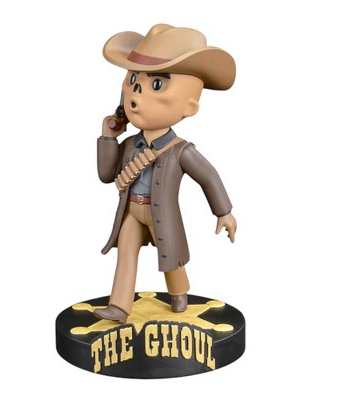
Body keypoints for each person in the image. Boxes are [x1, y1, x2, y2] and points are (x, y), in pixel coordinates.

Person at [94, 24, 237, 323]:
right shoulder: (130, 144)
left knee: (171, 256)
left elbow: (208, 177)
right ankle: (119, 306)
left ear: (190, 106)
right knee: (126, 255)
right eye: (134, 80)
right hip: (131, 211)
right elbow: (107, 175)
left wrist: (224, 212)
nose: (136, 93)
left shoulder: (180, 151)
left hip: (161, 213)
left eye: (156, 85)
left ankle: (179, 292)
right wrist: (108, 137)